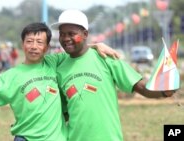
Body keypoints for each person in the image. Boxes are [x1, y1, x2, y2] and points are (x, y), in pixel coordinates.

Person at [0, 22, 118, 141]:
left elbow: (78, 50)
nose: (34, 46)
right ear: (22, 44)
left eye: (39, 42)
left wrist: (96, 45)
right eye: (29, 41)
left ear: (47, 47)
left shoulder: (54, 62)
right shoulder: (11, 76)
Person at [50, 9, 177, 141]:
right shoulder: (59, 69)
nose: (65, 38)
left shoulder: (106, 58)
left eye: (71, 34)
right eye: (62, 34)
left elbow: (141, 87)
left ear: (85, 34)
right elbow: (63, 113)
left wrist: (164, 92)